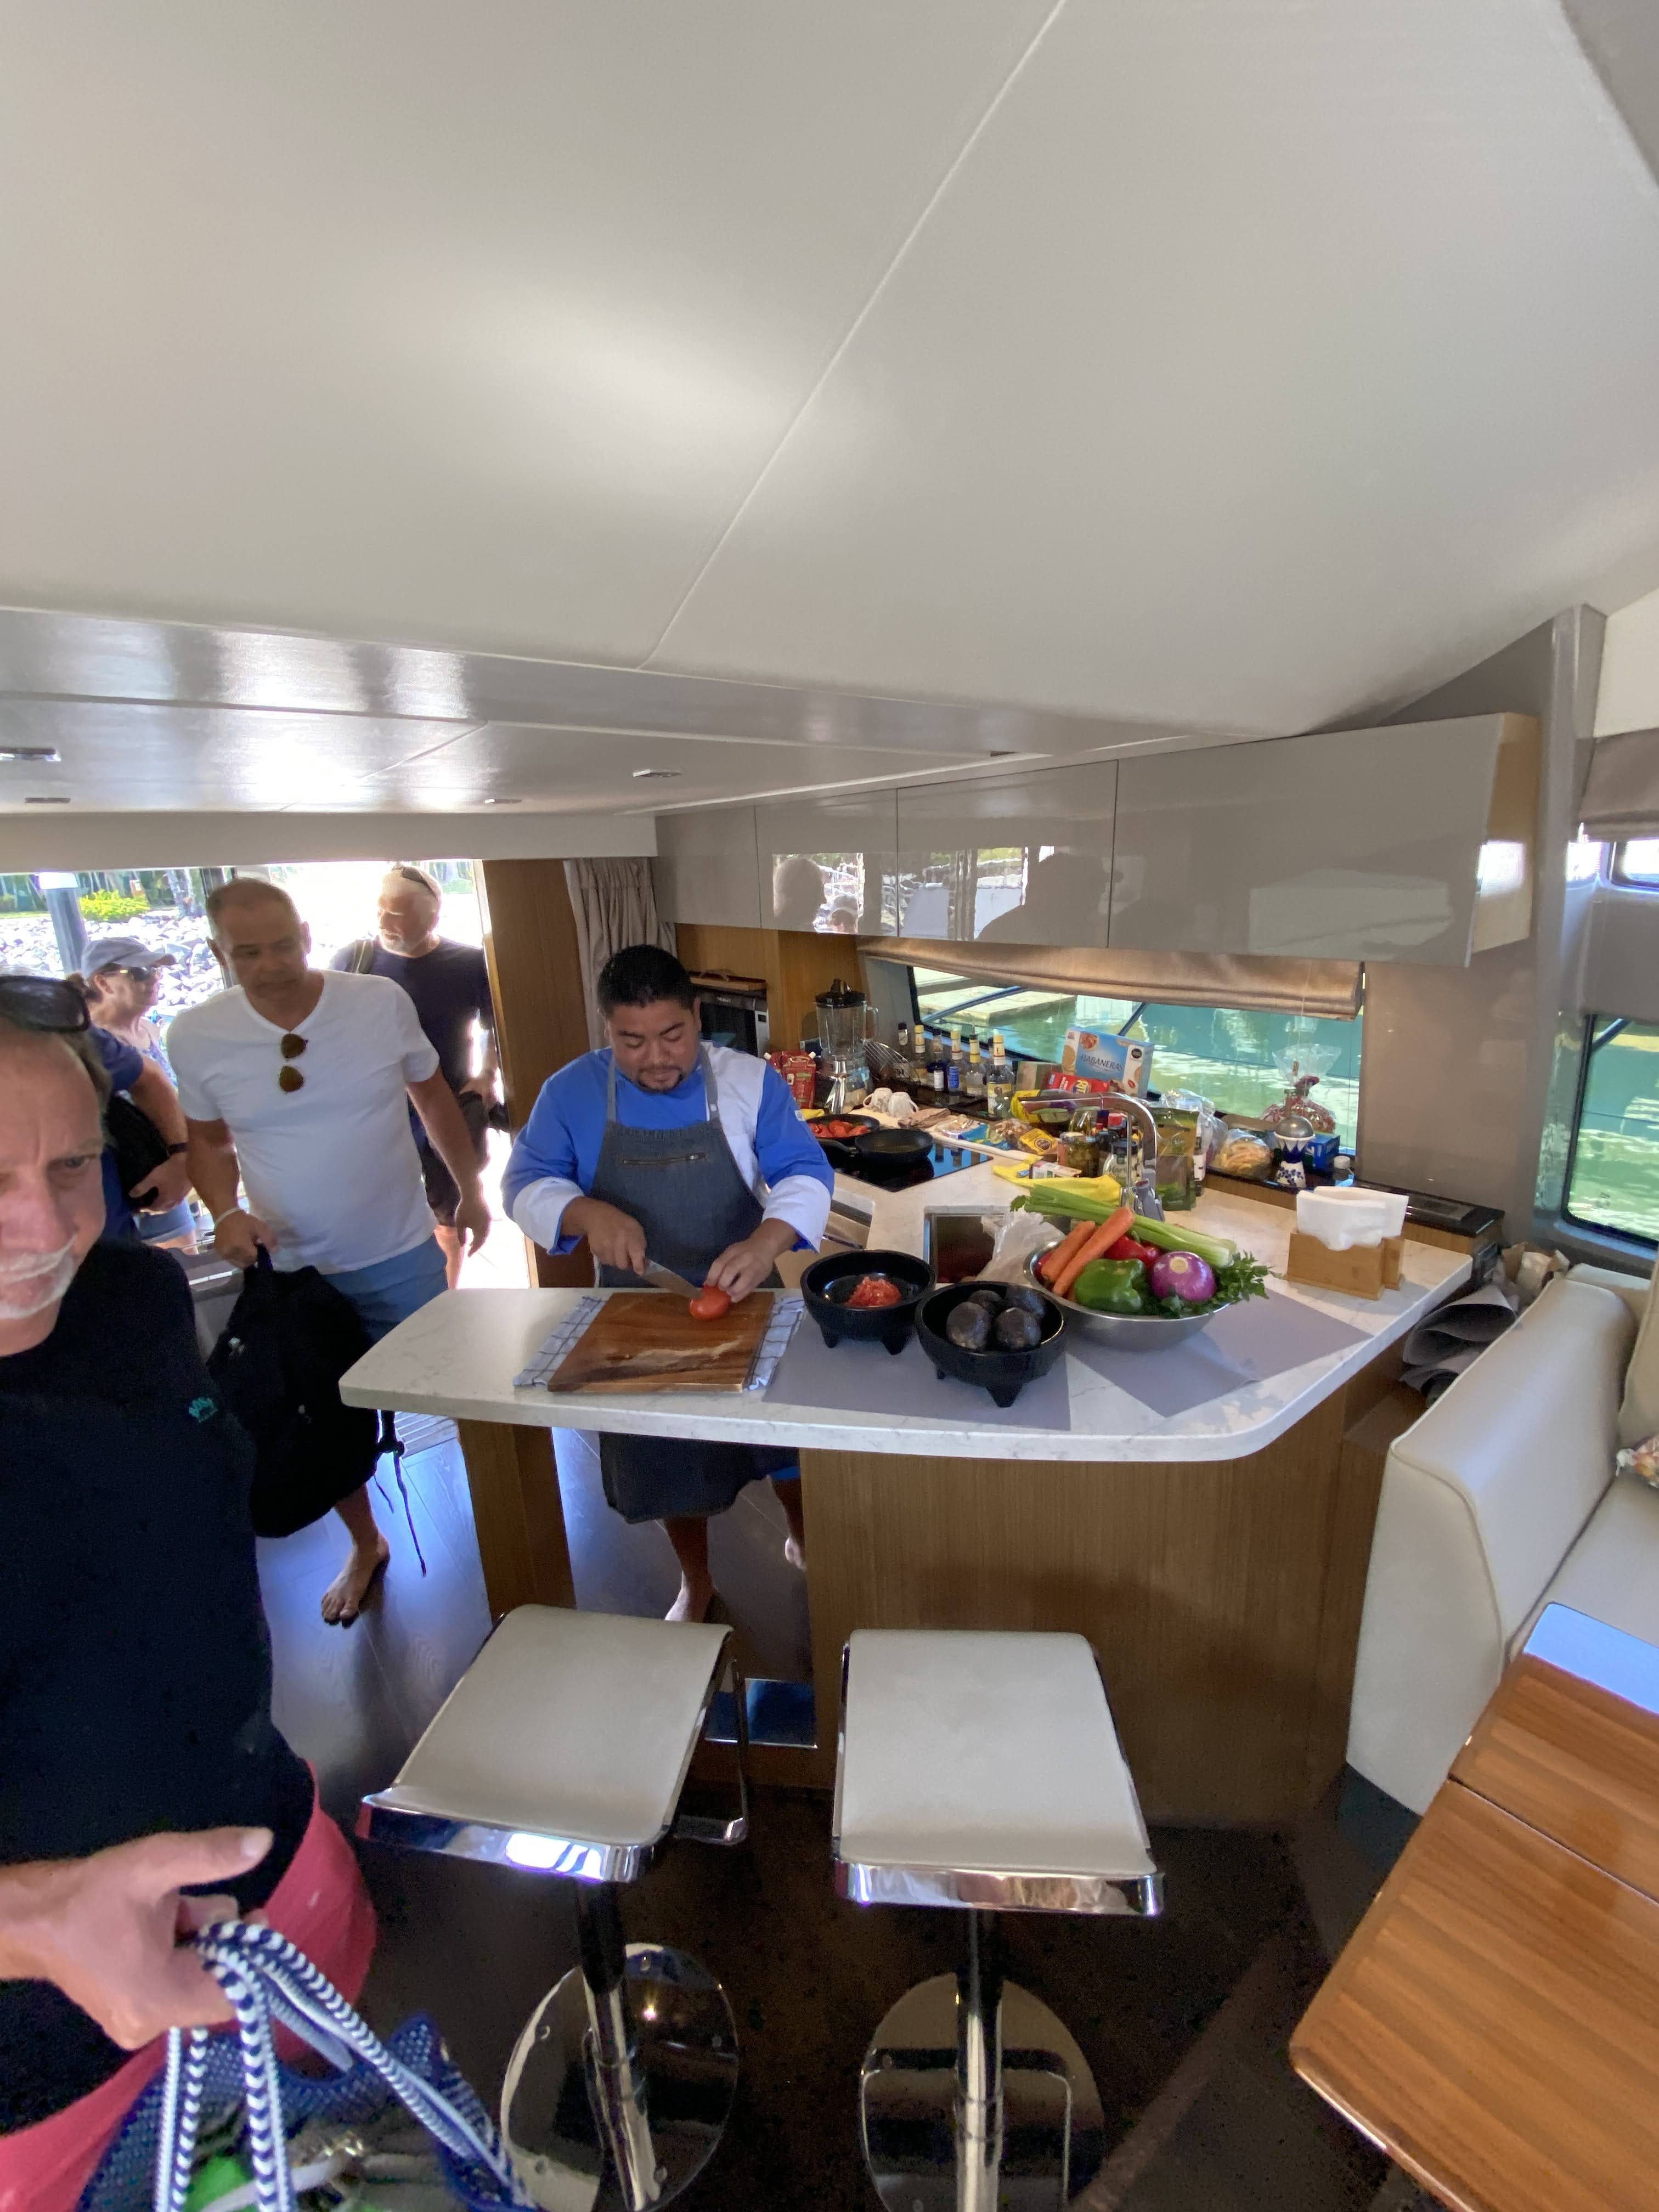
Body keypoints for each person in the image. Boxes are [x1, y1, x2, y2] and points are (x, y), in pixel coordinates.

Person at [0, 987, 375, 2212]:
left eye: (71, 1165)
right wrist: (33, 1917)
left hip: (280, 1880)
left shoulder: (130, 1301)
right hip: (43, 2061)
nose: (42, 1226)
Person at [167, 878, 491, 1626]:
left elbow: (433, 1098)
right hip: (293, 1272)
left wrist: (470, 1190)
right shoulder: (197, 1035)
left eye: (284, 945)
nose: (272, 964)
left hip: (400, 1247)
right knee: (322, 1419)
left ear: (307, 935)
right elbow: (207, 1143)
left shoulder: (377, 1002)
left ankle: (499, 1521)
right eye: (249, 953)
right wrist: (225, 1212)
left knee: (458, 1390)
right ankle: (366, 1542)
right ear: (218, 953)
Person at [503, 944, 832, 1623]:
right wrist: (586, 1213)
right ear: (608, 1030)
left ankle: (806, 1537)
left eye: (672, 1035)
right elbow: (525, 1183)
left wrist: (766, 1241)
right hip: (637, 1311)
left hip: (750, 1294)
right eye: (632, 1041)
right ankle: (696, 1579)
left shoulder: (748, 1082)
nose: (656, 1058)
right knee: (665, 1460)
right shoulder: (570, 1093)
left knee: (788, 1445)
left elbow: (804, 1172)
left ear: (697, 1016)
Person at [332, 864, 499, 1290]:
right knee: (386, 1211)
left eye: (397, 913)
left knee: (450, 1212)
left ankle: (446, 1298)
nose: (384, 921)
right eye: (380, 910)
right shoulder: (353, 962)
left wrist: (486, 1075)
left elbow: (497, 1026)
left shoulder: (469, 963)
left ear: (433, 917)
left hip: (446, 1105)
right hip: (379, 1110)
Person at [70, 932, 198, 1249]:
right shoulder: (88, 1040)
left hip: (165, 1165)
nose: (153, 979)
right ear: (103, 982)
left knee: (183, 1261)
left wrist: (183, 1158)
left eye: (156, 971)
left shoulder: (150, 1030)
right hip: (123, 1176)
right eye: (139, 972)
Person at [771, 854, 827, 932]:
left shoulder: (805, 927)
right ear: (793, 893)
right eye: (817, 892)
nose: (825, 901)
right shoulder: (773, 933)